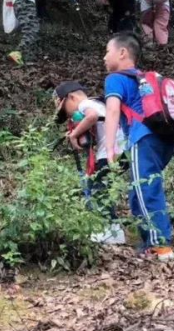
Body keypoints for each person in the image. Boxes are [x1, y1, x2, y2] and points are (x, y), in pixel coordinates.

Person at [102, 32, 174, 261]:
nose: (104, 57)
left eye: (107, 51)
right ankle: (149, 242)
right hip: (164, 139)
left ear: (122, 53)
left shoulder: (115, 78)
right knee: (140, 189)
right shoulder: (143, 78)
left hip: (142, 138)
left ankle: (159, 244)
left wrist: (110, 148)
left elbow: (112, 110)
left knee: (145, 189)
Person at [54, 81, 127, 245]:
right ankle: (113, 230)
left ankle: (111, 231)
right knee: (101, 187)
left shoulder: (85, 104)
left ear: (71, 97)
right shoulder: (98, 103)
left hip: (110, 152)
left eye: (65, 110)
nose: (68, 115)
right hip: (122, 150)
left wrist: (74, 135)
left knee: (99, 190)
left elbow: (92, 117)